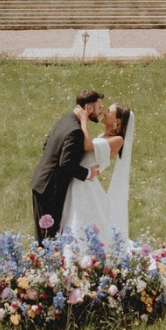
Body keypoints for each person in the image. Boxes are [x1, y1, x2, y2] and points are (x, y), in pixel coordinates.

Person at [30, 89, 103, 244]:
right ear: (89, 108)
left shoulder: (65, 120)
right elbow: (66, 164)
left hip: (41, 183)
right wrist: (88, 173)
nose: (101, 111)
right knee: (48, 237)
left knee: (43, 236)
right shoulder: (76, 131)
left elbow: (46, 144)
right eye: (99, 108)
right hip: (51, 189)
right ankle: (45, 266)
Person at [61, 103, 134, 243]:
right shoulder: (103, 135)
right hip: (81, 178)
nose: (104, 113)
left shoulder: (118, 140)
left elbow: (88, 146)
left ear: (117, 121)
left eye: (109, 111)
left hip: (85, 183)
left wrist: (83, 120)